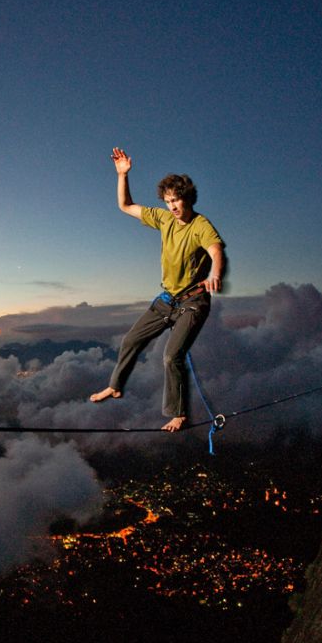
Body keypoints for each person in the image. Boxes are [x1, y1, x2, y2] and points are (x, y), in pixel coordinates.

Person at [90, 147, 226, 432]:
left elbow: (215, 249)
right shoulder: (164, 219)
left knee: (170, 356)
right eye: (168, 201)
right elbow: (125, 206)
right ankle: (114, 386)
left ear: (187, 198)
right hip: (167, 300)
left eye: (176, 200)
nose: (173, 207)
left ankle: (178, 413)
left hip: (193, 302)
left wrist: (215, 272)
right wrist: (122, 175)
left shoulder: (201, 225)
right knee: (130, 340)